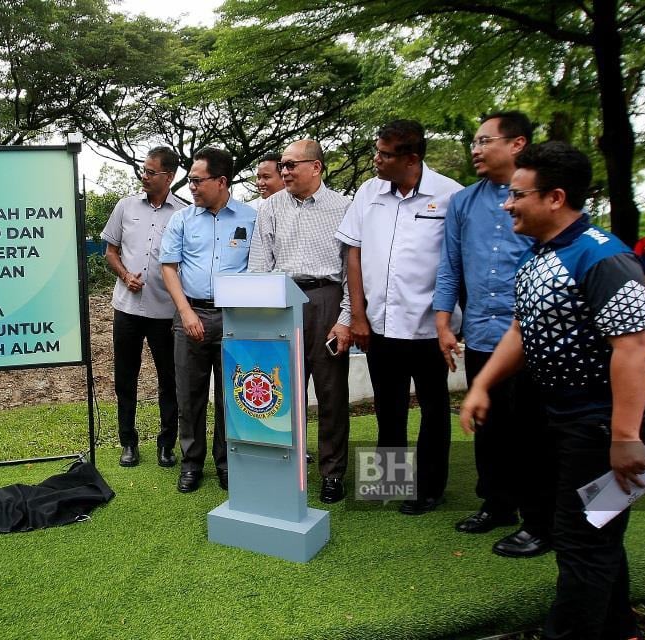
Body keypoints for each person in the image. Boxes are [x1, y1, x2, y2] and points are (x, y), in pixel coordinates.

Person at [460, 141, 645, 639]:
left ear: (555, 197)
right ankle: (620, 627)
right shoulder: (542, 255)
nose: (507, 204)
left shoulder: (604, 258)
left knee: (581, 538)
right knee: (593, 535)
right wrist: (482, 383)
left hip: (602, 425)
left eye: (517, 195)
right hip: (560, 419)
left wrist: (626, 436)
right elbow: (521, 331)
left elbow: (631, 350)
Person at [433, 111, 553, 557]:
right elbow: (450, 267)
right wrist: (445, 322)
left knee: (533, 431)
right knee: (489, 427)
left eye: (485, 141)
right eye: (474, 142)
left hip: (533, 338)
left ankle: (540, 520)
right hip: (482, 333)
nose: (476, 149)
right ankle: (497, 504)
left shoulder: (542, 200)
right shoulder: (463, 202)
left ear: (517, 144)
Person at [334, 120, 463, 515]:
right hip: (379, 326)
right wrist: (357, 315)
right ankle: (390, 481)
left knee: (434, 408)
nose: (376, 159)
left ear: (411, 158)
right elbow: (352, 252)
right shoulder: (369, 193)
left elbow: (457, 263)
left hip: (430, 327)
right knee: (387, 407)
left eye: (384, 154)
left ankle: (428, 489)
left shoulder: (449, 196)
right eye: (377, 150)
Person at [248, 139, 353, 503]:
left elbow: (352, 271)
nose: (285, 171)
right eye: (283, 165)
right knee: (280, 391)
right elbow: (259, 265)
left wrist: (346, 318)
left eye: (292, 165)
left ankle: (332, 473)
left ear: (317, 167)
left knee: (331, 393)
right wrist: (260, 318)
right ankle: (284, 467)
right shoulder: (270, 207)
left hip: (327, 300)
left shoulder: (344, 207)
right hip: (281, 301)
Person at [160, 147, 258, 493]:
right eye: (190, 180)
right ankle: (191, 463)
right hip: (192, 315)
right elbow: (168, 267)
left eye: (197, 181)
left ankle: (228, 464)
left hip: (236, 318)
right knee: (190, 396)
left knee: (232, 397)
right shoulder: (182, 219)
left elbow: (259, 268)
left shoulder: (250, 218)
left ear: (221, 181)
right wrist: (186, 312)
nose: (191, 187)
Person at [101, 146, 189, 468]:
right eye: (143, 169)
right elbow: (109, 252)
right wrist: (125, 275)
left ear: (169, 176)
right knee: (126, 377)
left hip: (165, 313)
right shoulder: (125, 207)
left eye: (151, 172)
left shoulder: (182, 214)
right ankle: (128, 443)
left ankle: (166, 445)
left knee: (169, 380)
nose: (144, 176)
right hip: (126, 309)